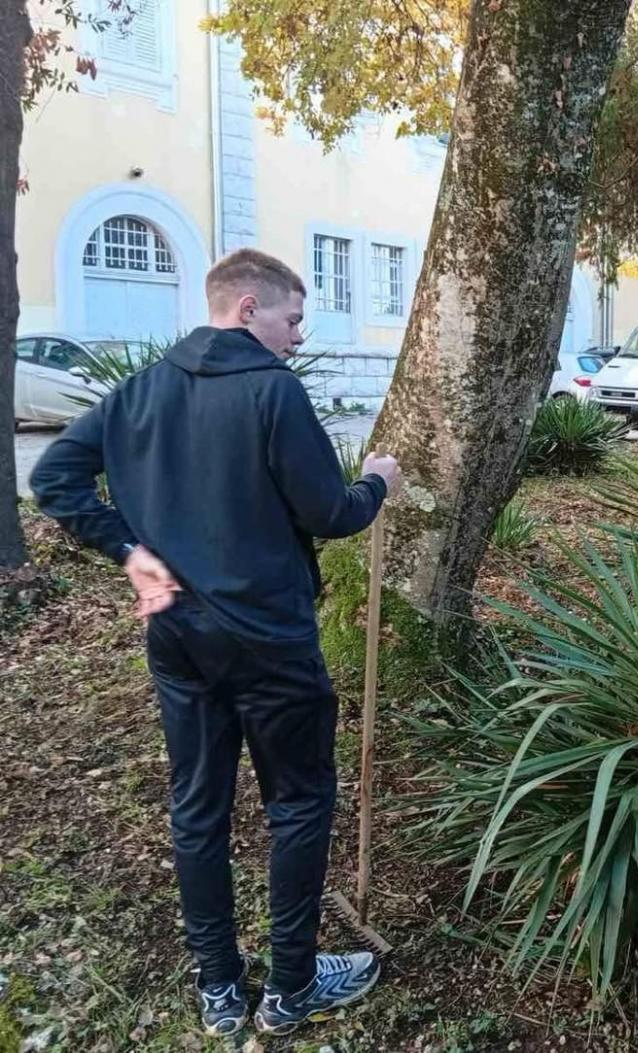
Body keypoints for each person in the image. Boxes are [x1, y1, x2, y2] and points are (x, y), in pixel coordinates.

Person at [30, 249, 402, 1038]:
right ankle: (291, 986)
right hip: (268, 638)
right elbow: (330, 513)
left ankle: (222, 990)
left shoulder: (138, 391)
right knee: (298, 803)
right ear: (245, 310)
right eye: (291, 318)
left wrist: (132, 551)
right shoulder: (273, 391)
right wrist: (376, 481)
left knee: (197, 808)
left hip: (180, 638)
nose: (297, 336)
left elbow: (56, 479)